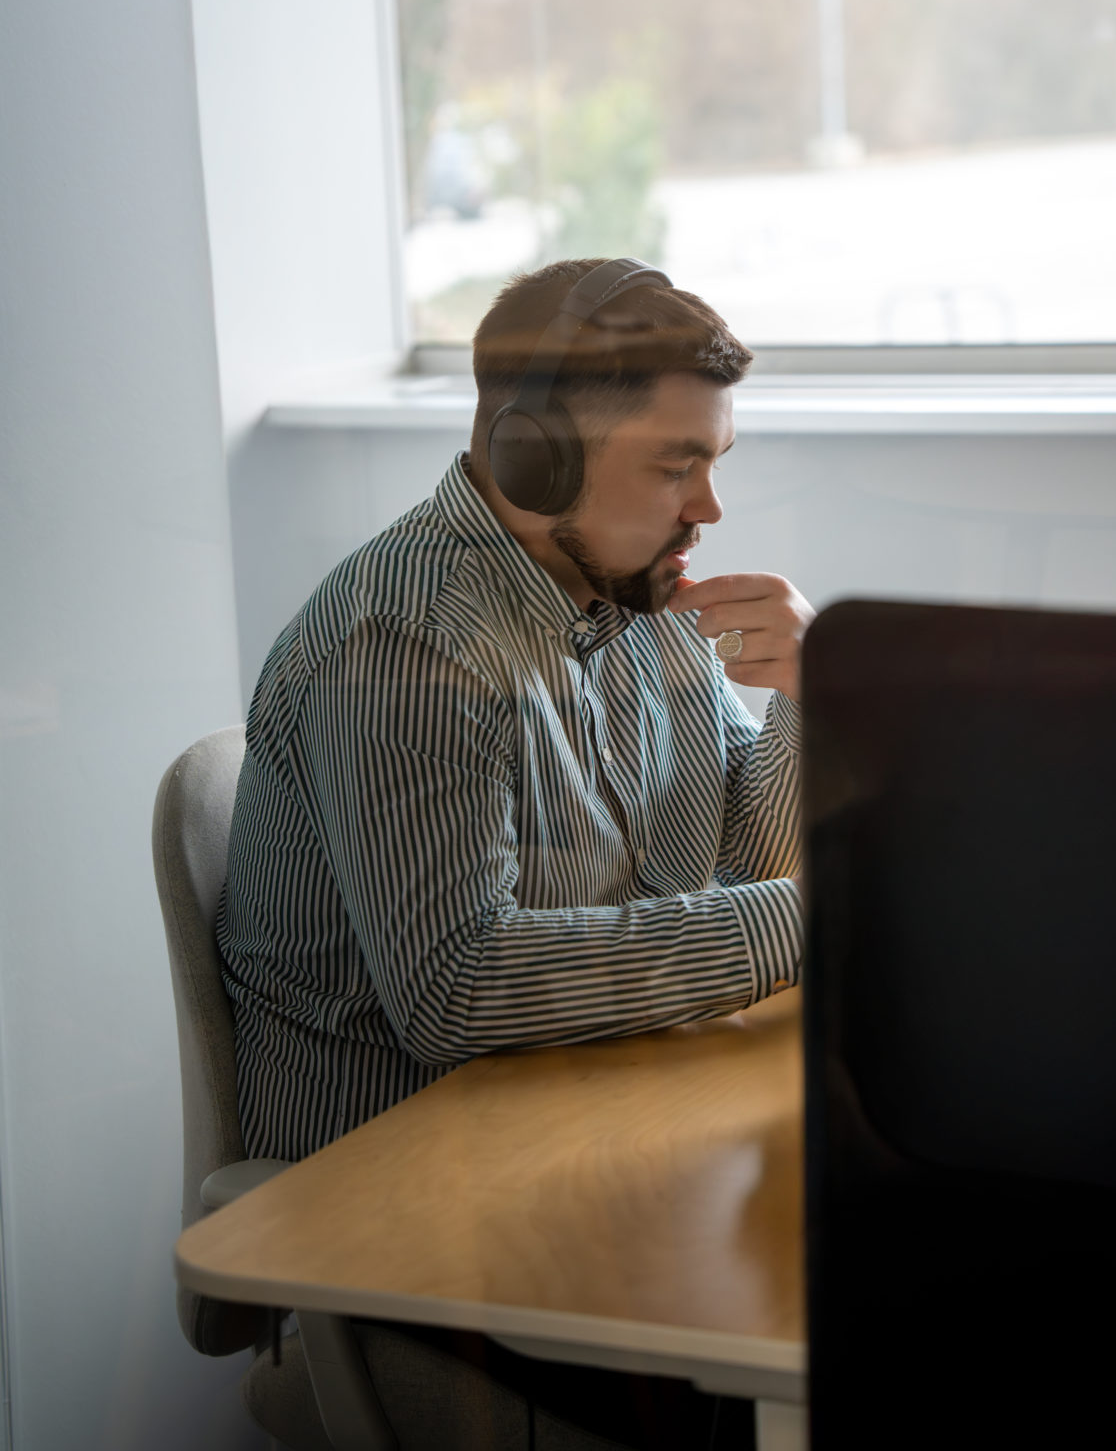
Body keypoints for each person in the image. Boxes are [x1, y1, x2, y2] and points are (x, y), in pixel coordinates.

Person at [217, 257, 810, 1449]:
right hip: (414, 1212)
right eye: (677, 463)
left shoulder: (636, 600)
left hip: (591, 1139)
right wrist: (809, 917)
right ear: (535, 456)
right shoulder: (404, 647)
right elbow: (459, 986)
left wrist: (810, 696)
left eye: (715, 462)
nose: (710, 509)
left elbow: (743, 861)